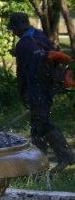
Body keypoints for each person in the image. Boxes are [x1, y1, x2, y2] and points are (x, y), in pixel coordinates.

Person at [8, 12, 75, 173]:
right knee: (38, 124)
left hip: (36, 88)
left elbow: (23, 73)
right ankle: (42, 162)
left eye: (13, 29)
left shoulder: (23, 45)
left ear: (18, 28)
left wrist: (22, 93)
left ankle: (59, 158)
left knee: (40, 125)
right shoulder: (39, 35)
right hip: (48, 87)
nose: (13, 32)